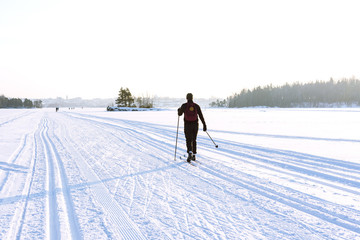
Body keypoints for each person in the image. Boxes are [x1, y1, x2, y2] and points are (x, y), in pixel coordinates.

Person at [178, 93, 207, 162]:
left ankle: (190, 152)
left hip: (187, 125)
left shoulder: (184, 105)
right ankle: (194, 155)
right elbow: (201, 116)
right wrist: (204, 125)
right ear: (192, 98)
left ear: (186, 98)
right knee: (194, 139)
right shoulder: (196, 106)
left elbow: (180, 114)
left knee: (188, 139)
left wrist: (179, 110)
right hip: (195, 124)